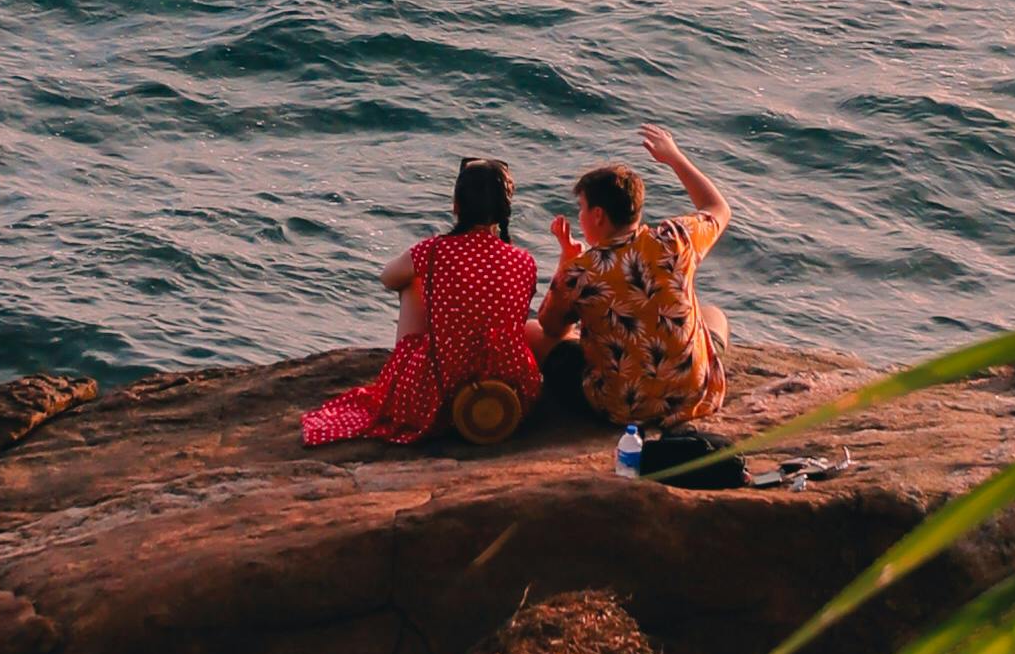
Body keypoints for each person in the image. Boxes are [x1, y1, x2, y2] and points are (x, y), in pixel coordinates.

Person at [301, 156, 542, 449]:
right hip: (513, 392)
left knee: (411, 283)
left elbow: (388, 278)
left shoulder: (434, 250)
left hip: (437, 394)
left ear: (457, 206)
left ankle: (402, 371)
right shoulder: (524, 260)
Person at [533, 125, 731, 433]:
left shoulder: (580, 272)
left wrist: (566, 262)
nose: (581, 215)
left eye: (582, 208)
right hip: (695, 396)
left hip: (621, 408)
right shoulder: (675, 239)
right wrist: (675, 158)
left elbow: (553, 328)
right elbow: (717, 208)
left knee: (531, 332)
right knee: (714, 315)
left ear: (598, 215)